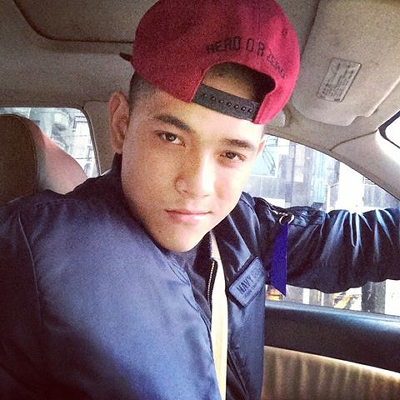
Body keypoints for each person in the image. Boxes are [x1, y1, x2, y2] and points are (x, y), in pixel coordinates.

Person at [0, 0, 399, 399]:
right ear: (122, 125)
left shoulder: (244, 229)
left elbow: (358, 243)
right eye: (171, 137)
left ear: (254, 157)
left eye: (231, 154)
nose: (198, 185)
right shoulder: (31, 249)